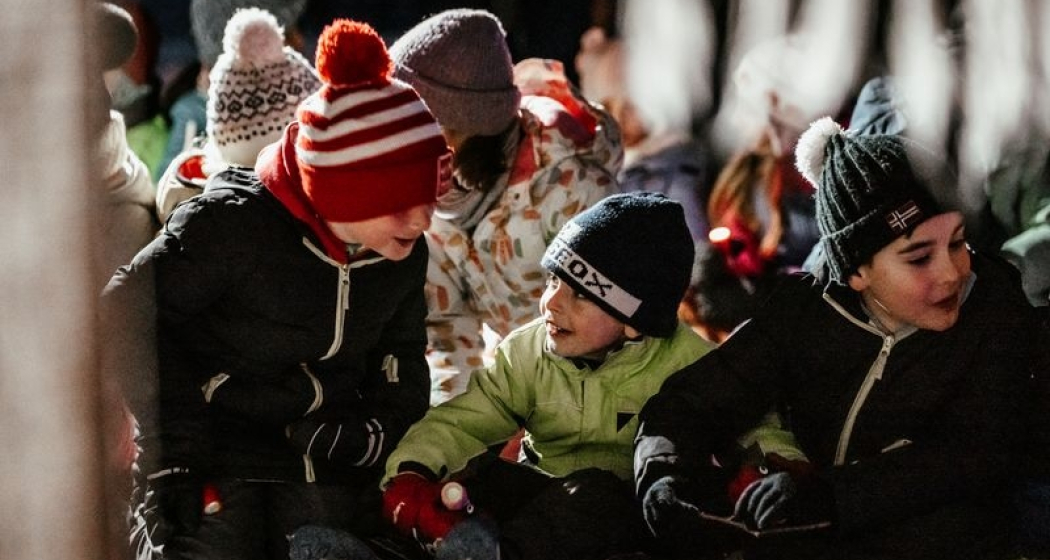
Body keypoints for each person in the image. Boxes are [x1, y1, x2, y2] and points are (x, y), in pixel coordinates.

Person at [102, 19, 451, 560]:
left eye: (429, 197)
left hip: (321, 449)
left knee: (326, 546)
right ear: (342, 195)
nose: (422, 219)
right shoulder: (230, 226)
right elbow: (126, 313)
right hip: (214, 442)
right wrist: (171, 454)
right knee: (207, 544)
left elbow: (401, 356)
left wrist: (375, 429)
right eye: (401, 201)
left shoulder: (399, 249)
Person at [635, 117, 1042, 560]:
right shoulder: (805, 312)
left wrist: (828, 497)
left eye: (958, 243)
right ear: (857, 272)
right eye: (919, 256)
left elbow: (971, 455)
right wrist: (663, 478)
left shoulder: (994, 311)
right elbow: (694, 400)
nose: (951, 273)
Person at [387, 8, 623, 404]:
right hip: (513, 380)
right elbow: (447, 331)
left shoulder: (569, 190)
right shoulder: (434, 195)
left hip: (591, 398)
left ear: (460, 125)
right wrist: (454, 434)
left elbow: (604, 329)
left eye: (409, 120)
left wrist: (541, 418)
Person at [154, 6, 320, 221]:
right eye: (285, 33)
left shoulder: (295, 97)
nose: (299, 41)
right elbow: (170, 205)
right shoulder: (194, 117)